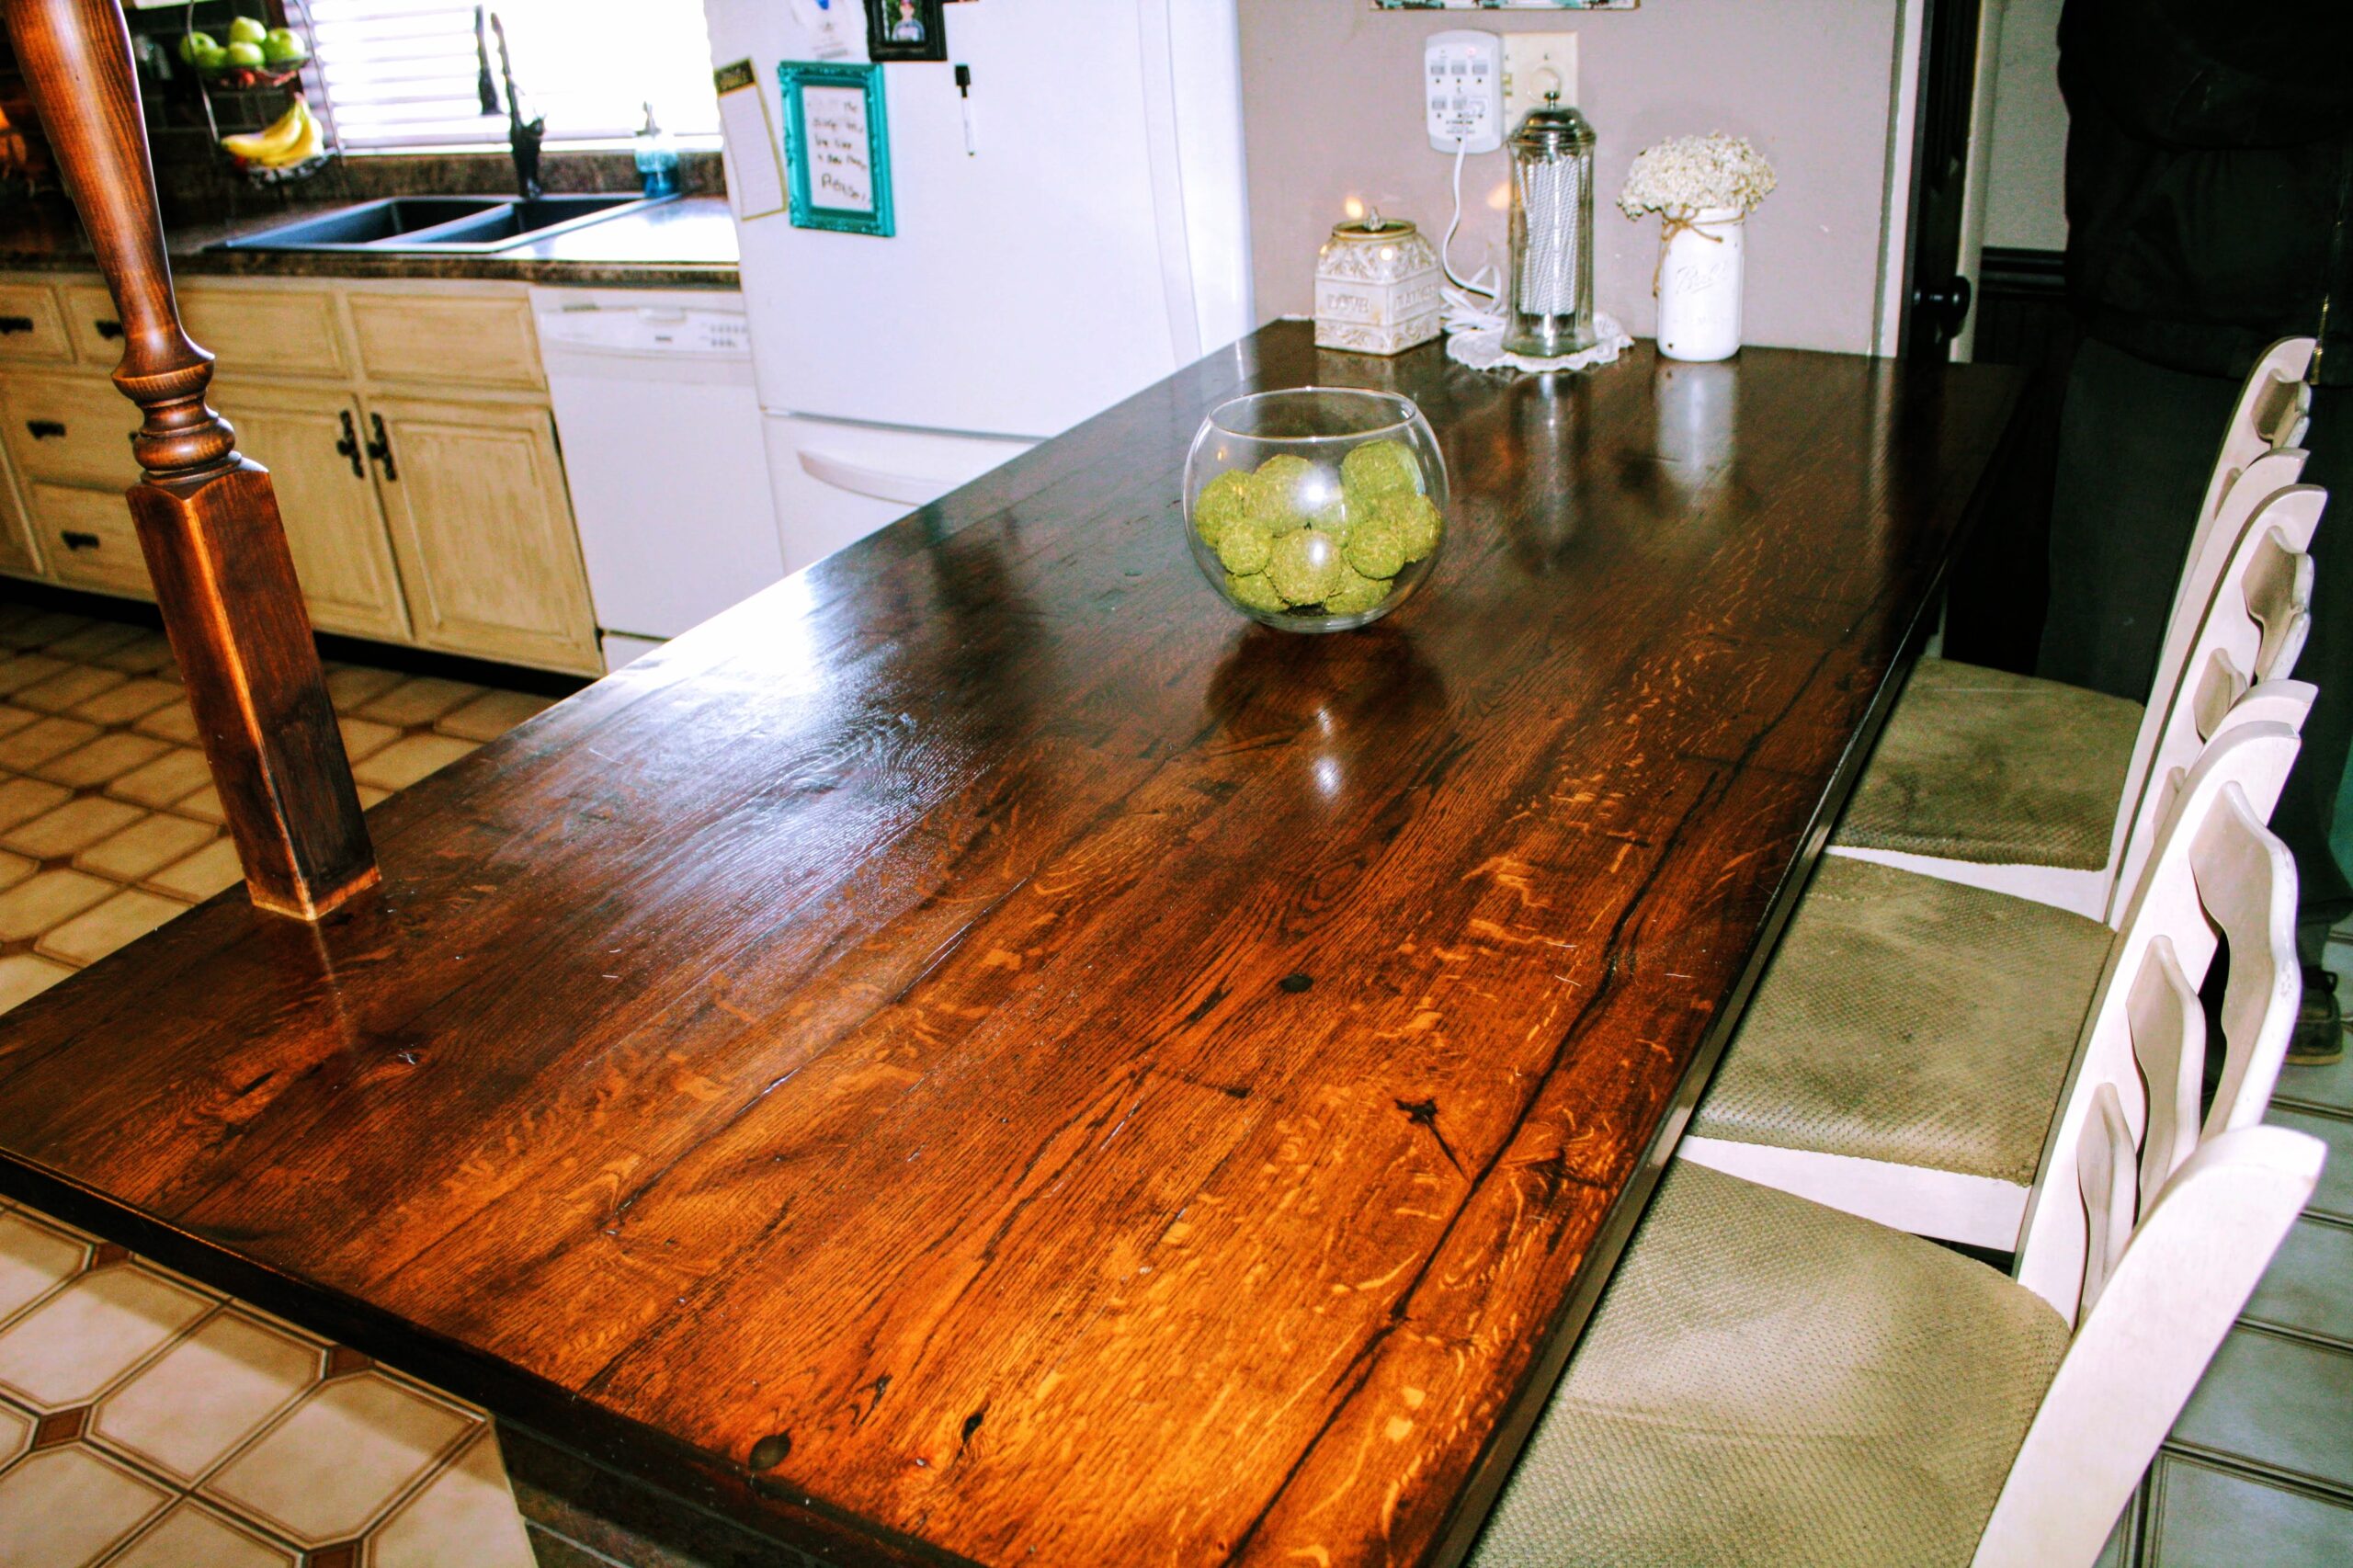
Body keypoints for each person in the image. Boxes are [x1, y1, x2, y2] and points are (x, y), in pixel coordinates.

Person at [2044, 0, 2353, 1062]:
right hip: (2167, 334)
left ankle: (2274, 947)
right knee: (2117, 679)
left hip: (2340, 350)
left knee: (2311, 674)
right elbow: (2178, 76)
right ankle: (2095, 945)